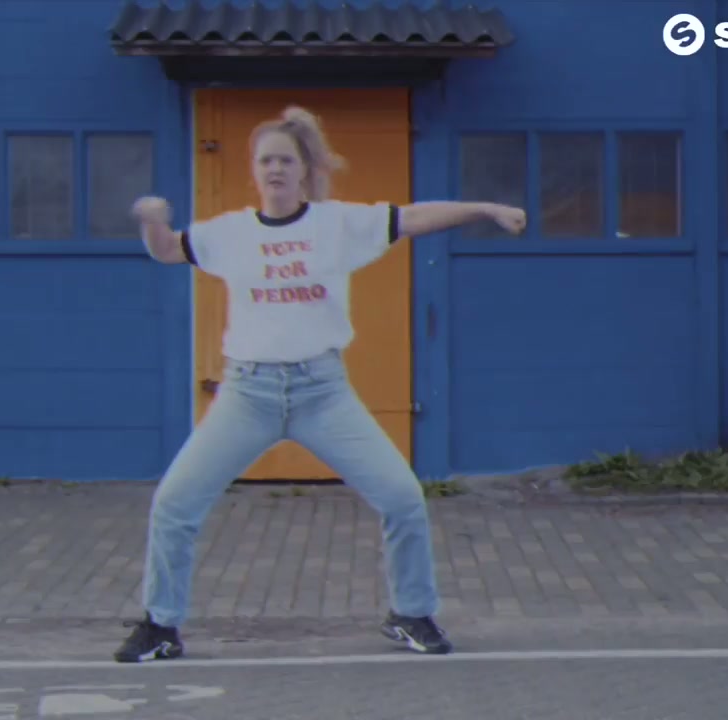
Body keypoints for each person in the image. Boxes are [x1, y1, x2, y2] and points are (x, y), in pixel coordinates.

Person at [114, 106, 526, 663]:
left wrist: (485, 208)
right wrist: (151, 220)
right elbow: (167, 249)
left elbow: (412, 217)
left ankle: (411, 613)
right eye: (266, 161)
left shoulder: (337, 225)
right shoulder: (230, 233)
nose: (275, 169)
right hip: (247, 395)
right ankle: (161, 627)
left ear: (304, 169)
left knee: (403, 498)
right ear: (253, 170)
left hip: (322, 393)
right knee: (174, 503)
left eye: (286, 160)